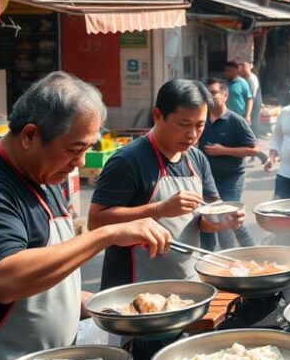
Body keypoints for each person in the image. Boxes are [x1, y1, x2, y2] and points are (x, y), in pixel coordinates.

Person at [0, 73, 170, 360]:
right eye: (74, 150)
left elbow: (46, 280)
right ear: (29, 135)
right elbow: (5, 280)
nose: (82, 163)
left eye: (87, 149)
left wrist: (102, 305)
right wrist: (106, 235)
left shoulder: (44, 172)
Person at [91, 79, 244, 288]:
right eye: (184, 125)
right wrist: (159, 209)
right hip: (134, 288)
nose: (192, 134)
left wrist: (223, 219)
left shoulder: (196, 159)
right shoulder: (128, 161)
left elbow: (202, 222)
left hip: (186, 282)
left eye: (199, 125)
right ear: (157, 115)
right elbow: (96, 221)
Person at [199, 78, 259, 250]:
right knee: (212, 218)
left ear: (225, 95)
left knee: (228, 215)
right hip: (208, 180)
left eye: (214, 93)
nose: (210, 97)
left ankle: (252, 251)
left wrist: (224, 150)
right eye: (206, 94)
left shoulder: (235, 120)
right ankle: (225, 255)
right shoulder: (202, 120)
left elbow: (255, 149)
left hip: (231, 178)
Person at [240, 60, 263, 137]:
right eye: (240, 66)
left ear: (250, 67)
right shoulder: (243, 78)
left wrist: (247, 114)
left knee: (252, 126)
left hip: (253, 105)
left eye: (243, 66)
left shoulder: (252, 79)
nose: (241, 68)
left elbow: (251, 97)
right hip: (247, 105)